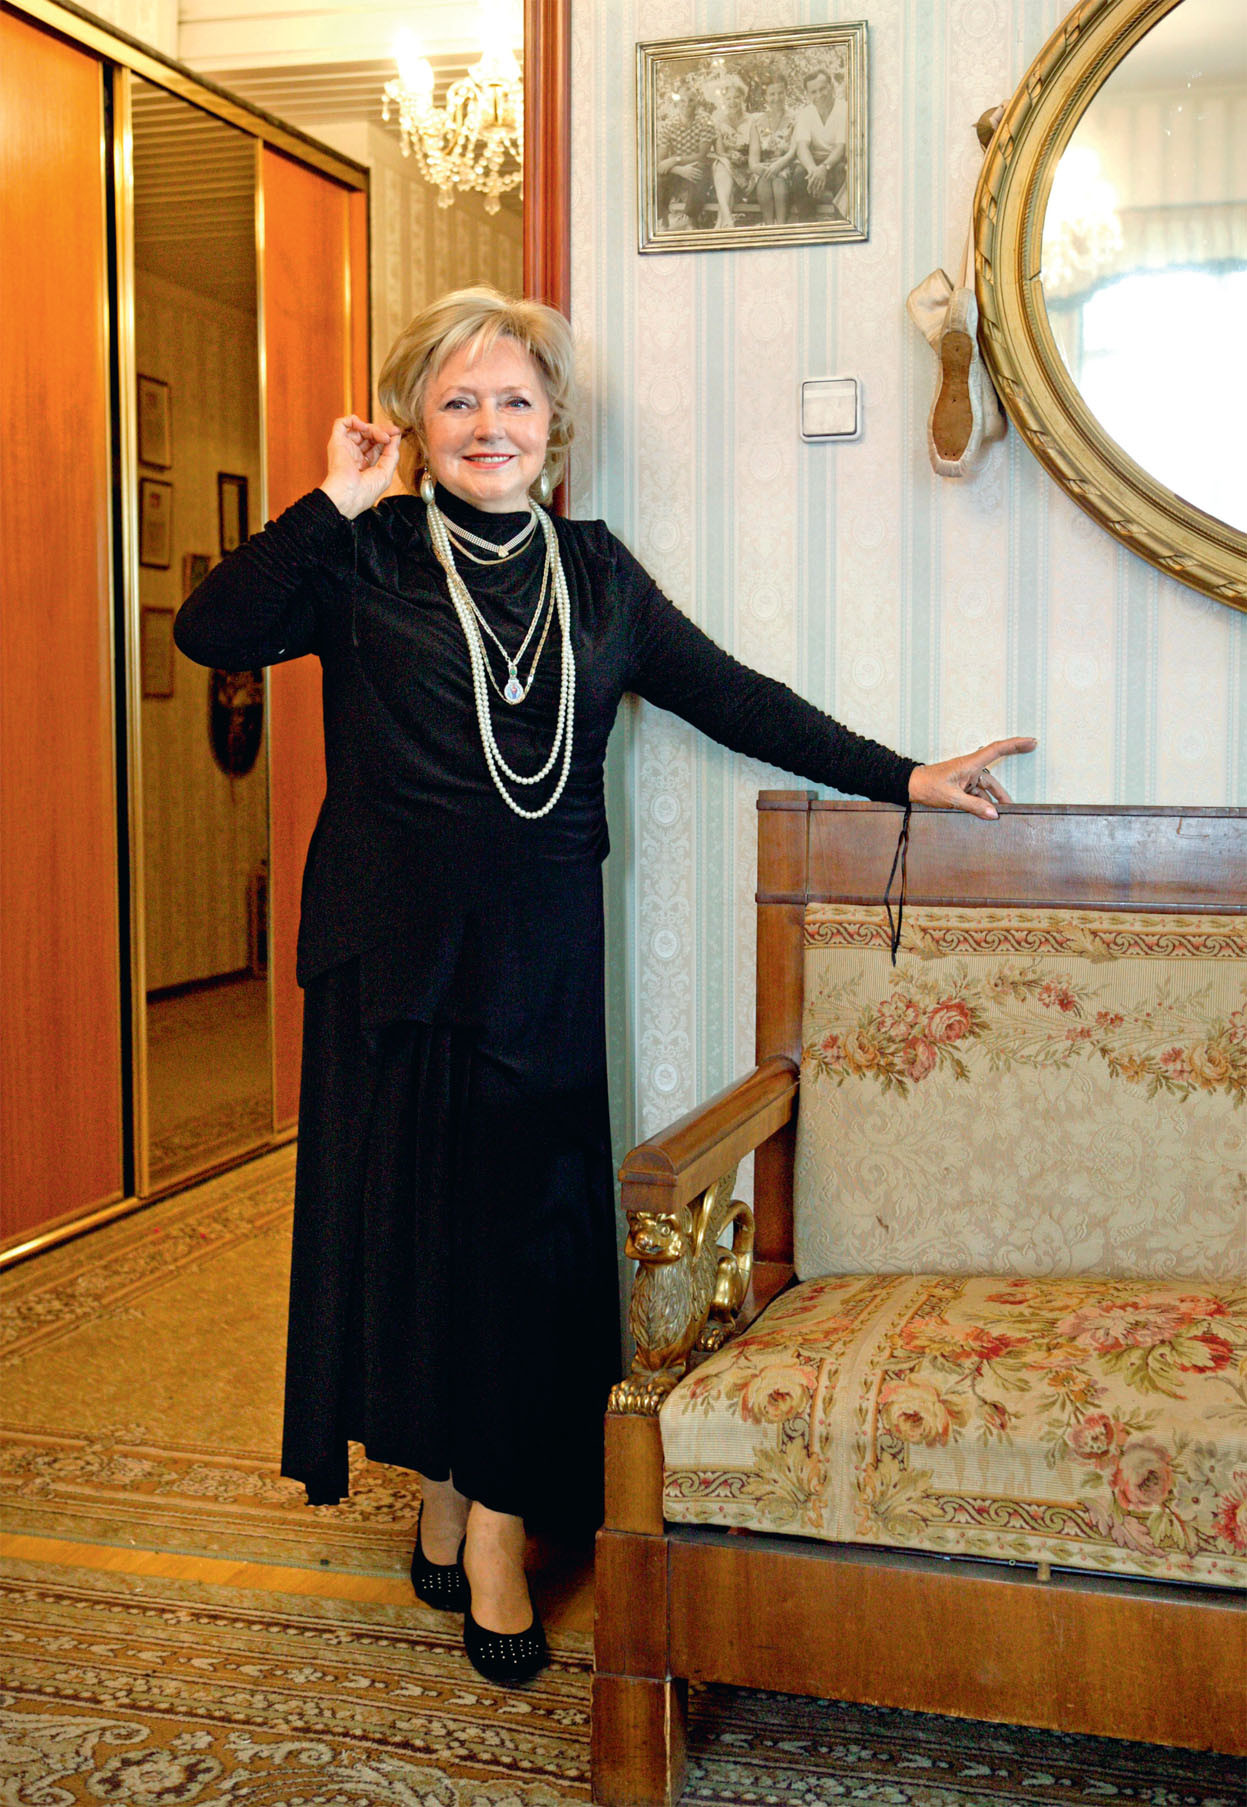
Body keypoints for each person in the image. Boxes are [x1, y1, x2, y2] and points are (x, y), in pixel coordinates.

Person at [174, 287, 1034, 1688]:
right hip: (386, 959)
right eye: (456, 400)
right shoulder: (361, 552)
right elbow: (213, 631)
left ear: (553, 426)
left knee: (524, 1249)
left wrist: (903, 775)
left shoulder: (596, 572)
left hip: (538, 959)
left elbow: (732, 695)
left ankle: (497, 1519)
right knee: (416, 1243)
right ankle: (447, 1486)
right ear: (412, 423)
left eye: (513, 400)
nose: (488, 425)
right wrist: (332, 499)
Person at [793, 65, 848, 218]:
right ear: (807, 94)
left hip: (836, 161)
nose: (819, 95)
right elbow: (802, 147)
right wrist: (812, 170)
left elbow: (840, 148)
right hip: (814, 162)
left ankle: (841, 225)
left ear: (831, 87)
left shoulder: (844, 109)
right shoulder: (806, 113)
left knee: (842, 172)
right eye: (813, 92)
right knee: (799, 175)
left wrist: (824, 168)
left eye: (823, 89)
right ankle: (807, 226)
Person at [655, 90, 714, 231]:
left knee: (698, 173)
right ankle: (663, 220)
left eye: (691, 100)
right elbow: (661, 161)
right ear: (676, 103)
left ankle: (691, 220)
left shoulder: (705, 120)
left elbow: (702, 154)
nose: (686, 104)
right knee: (660, 177)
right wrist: (679, 170)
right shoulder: (668, 125)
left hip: (698, 162)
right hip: (677, 168)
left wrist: (675, 160)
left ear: (697, 102)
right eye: (682, 101)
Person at [748, 77, 797, 225]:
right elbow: (753, 157)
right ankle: (769, 228)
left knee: (779, 182)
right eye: (772, 94)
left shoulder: (795, 119)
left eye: (780, 93)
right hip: (765, 168)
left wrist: (779, 165)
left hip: (787, 165)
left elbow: (794, 151)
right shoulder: (757, 123)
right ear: (765, 97)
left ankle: (781, 227)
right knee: (764, 181)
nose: (777, 98)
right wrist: (756, 167)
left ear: (786, 93)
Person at [708, 74, 754, 229]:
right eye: (728, 98)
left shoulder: (752, 121)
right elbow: (720, 151)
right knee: (721, 165)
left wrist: (744, 157)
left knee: (722, 169)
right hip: (728, 165)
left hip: (748, 167)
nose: (732, 102)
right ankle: (728, 220)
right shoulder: (719, 122)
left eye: (736, 97)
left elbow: (757, 149)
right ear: (723, 100)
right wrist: (731, 156)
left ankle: (722, 223)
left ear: (743, 98)